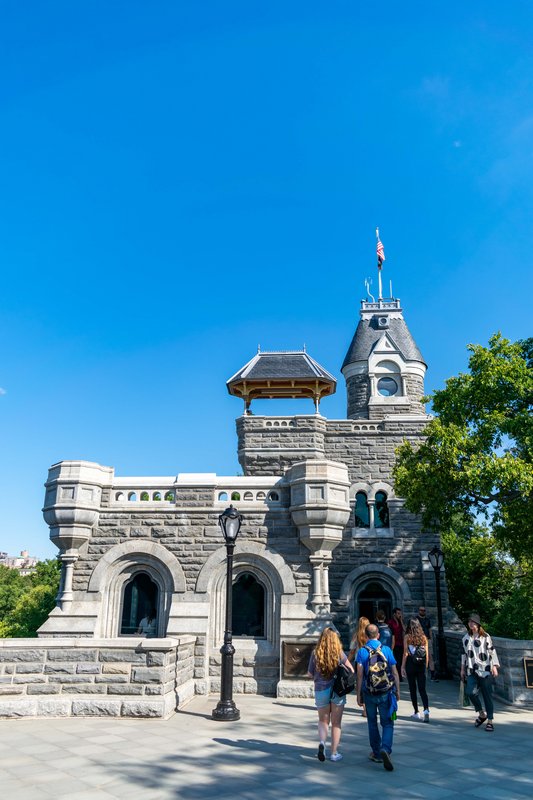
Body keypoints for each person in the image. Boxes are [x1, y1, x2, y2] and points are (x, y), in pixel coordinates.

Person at [356, 623, 400, 772]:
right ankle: (385, 748)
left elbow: (360, 675)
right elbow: (394, 672)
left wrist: (358, 694)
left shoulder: (362, 652)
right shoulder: (386, 650)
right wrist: (398, 691)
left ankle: (376, 752)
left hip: (369, 693)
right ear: (378, 635)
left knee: (372, 723)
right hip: (386, 692)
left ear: (366, 636)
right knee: (387, 723)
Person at [307, 627, 354, 762]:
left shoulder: (315, 653)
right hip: (337, 690)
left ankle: (322, 743)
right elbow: (350, 669)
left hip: (321, 690)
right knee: (336, 723)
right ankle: (334, 753)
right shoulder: (339, 653)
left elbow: (309, 674)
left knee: (323, 721)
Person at [460, 613, 500, 733]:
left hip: (485, 670)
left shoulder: (485, 637)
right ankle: (482, 714)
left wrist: (494, 667)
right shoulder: (465, 638)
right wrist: (462, 669)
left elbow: (492, 652)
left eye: (473, 622)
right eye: (469, 621)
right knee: (470, 692)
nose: (471, 624)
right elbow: (464, 655)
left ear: (478, 624)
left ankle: (490, 721)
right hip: (472, 670)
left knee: (487, 696)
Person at [402, 618, 430, 722]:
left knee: (412, 689)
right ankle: (426, 710)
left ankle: (416, 712)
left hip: (410, 665)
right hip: (421, 666)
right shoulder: (423, 637)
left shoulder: (407, 637)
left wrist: (402, 667)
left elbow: (405, 653)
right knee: (422, 689)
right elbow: (427, 654)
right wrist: (425, 666)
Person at [348, 616, 370, 716]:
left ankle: (365, 708)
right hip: (370, 661)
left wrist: (346, 662)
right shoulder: (370, 636)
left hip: (359, 662)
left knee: (361, 683)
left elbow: (352, 651)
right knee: (370, 682)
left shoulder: (356, 636)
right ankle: (371, 707)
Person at [417, 605, 438, 681]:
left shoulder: (427, 620)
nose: (422, 612)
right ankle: (420, 674)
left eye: (424, 610)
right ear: (419, 611)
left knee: (430, 657)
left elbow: (429, 629)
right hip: (419, 640)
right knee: (420, 657)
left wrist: (431, 639)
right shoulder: (416, 620)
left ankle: (432, 675)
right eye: (421, 610)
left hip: (427, 639)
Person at [388, 608, 405, 681]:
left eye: (400, 613)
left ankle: (400, 676)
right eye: (398, 613)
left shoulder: (400, 621)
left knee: (400, 660)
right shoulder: (390, 622)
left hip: (401, 643)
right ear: (394, 614)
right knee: (395, 660)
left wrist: (401, 621)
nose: (399, 615)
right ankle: (396, 676)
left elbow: (404, 629)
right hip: (394, 643)